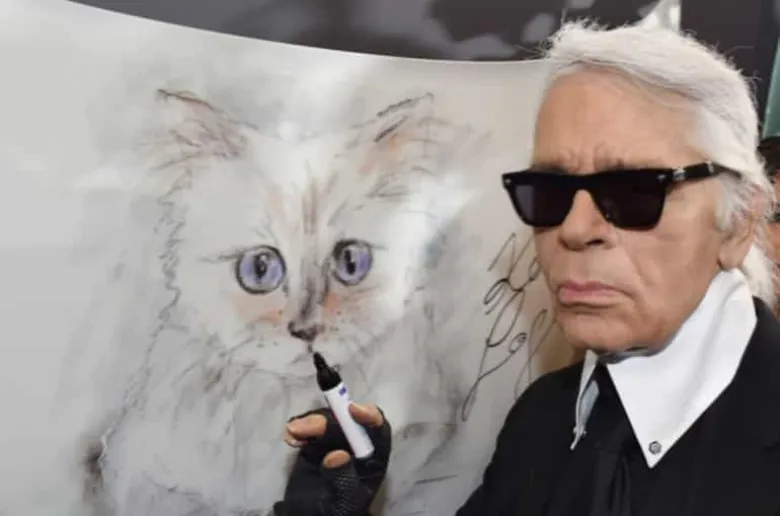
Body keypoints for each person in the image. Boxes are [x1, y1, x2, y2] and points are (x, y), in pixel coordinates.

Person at [273, 20, 780, 516]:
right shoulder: (542, 420)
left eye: (634, 191)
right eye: (550, 192)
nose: (574, 229)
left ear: (739, 223)